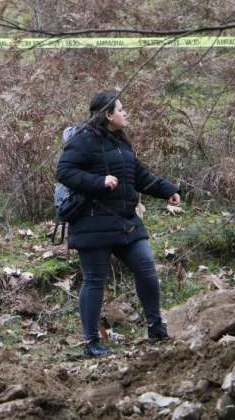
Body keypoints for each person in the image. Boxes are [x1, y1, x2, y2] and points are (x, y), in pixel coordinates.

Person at [56, 91, 180, 357]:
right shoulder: (83, 140)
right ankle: (91, 343)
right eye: (121, 109)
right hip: (92, 222)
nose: (125, 113)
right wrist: (98, 182)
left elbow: (140, 176)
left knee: (146, 266)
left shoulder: (120, 143)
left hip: (125, 220)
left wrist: (168, 189)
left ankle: (156, 327)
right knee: (94, 281)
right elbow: (64, 171)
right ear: (108, 115)